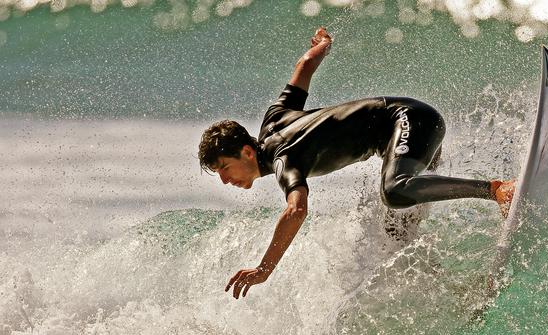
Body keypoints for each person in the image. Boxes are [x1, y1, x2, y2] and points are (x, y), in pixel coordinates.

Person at [198, 27, 515, 299]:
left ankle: (497, 190)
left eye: (224, 167)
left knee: (394, 190)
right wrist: (323, 44)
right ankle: (460, 290)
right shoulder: (274, 118)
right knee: (395, 236)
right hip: (411, 130)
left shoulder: (283, 160)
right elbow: (306, 64)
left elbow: (296, 209)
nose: (225, 180)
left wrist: (264, 269)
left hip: (410, 121)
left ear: (247, 152)